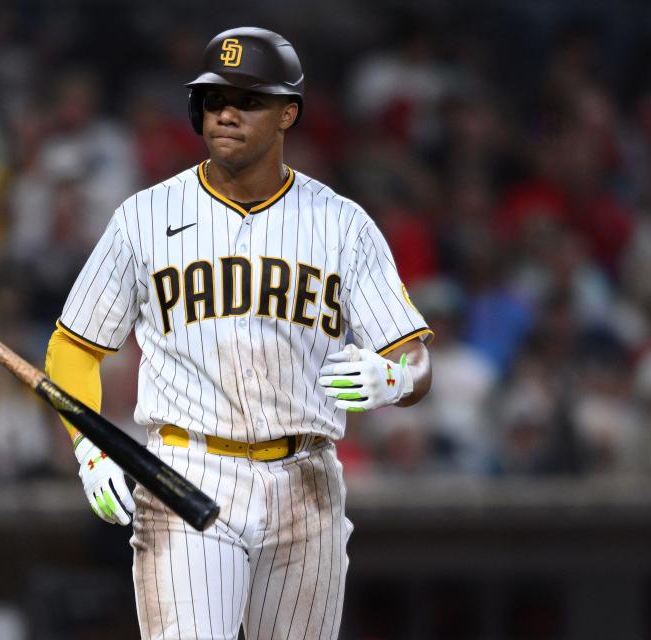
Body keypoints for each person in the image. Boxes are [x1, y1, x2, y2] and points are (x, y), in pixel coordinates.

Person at [45, 27, 433, 639]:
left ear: (288, 113)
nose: (225, 112)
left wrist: (394, 378)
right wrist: (90, 448)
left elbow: (413, 358)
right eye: (213, 98)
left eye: (248, 100)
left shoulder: (342, 224)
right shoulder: (145, 217)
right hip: (186, 469)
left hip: (307, 483)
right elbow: (73, 347)